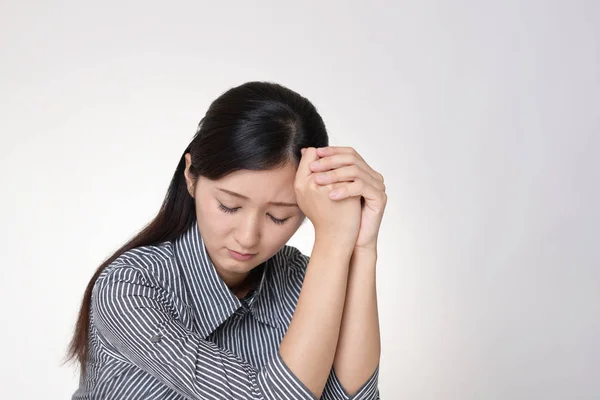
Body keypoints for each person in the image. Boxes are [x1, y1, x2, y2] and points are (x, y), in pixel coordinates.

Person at [67, 81, 387, 399]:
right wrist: (332, 242)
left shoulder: (305, 279)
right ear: (191, 176)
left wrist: (361, 246)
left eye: (279, 216)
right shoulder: (129, 288)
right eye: (229, 206)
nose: (247, 238)